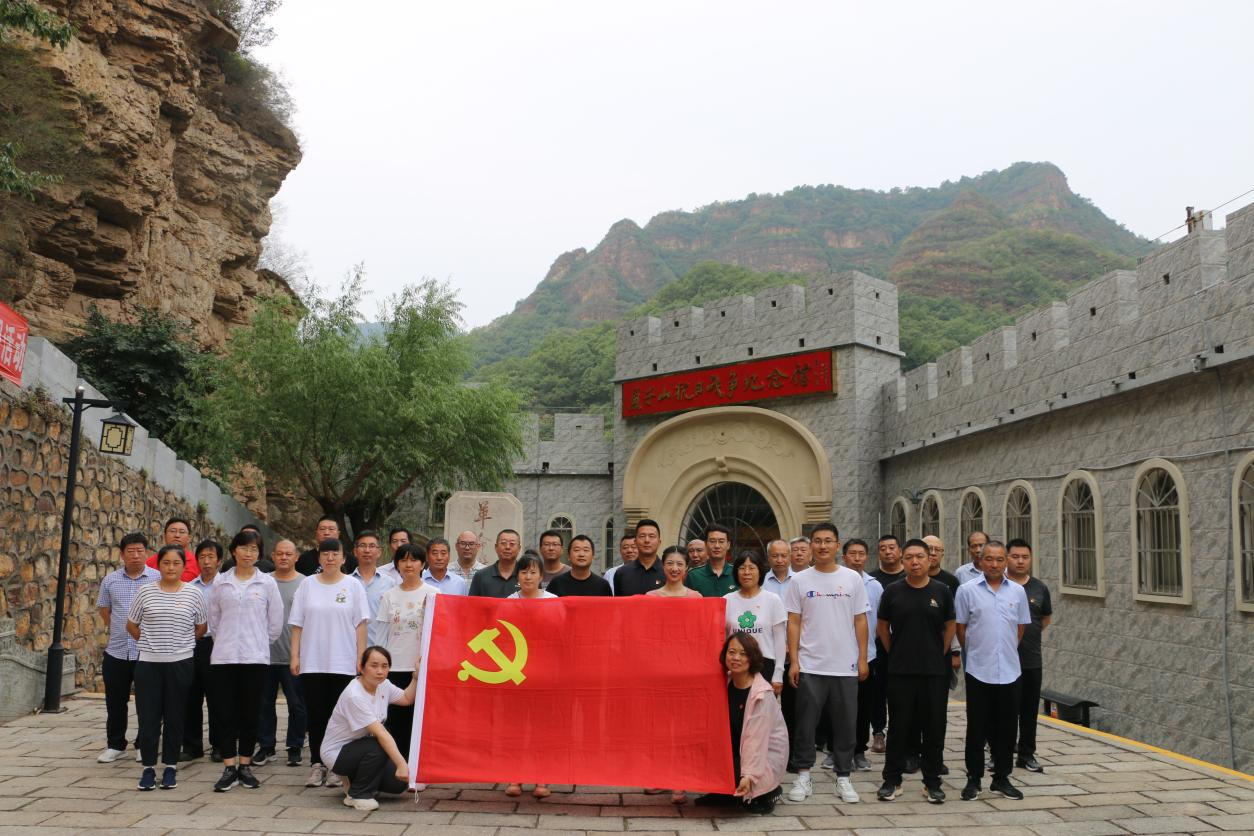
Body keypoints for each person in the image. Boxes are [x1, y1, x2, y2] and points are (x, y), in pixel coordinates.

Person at [783, 523, 868, 805]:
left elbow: (860, 619)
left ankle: (843, 777)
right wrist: (794, 660)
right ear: (811, 546)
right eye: (817, 541)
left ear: (837, 545)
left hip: (845, 665)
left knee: (845, 723)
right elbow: (794, 621)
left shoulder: (852, 579)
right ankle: (803, 775)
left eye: (828, 541)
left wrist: (862, 657)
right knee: (805, 724)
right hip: (810, 664)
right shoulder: (799, 580)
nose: (822, 546)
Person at [874, 539, 955, 805]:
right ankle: (892, 780)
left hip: (934, 671)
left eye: (920, 556)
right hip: (900, 670)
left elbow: (950, 625)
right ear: (903, 561)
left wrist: (939, 652)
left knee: (934, 727)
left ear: (930, 559)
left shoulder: (942, 591)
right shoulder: (893, 591)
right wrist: (895, 651)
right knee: (899, 727)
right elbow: (882, 627)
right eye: (909, 557)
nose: (915, 562)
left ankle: (932, 782)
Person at [290, 538, 371, 789]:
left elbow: (361, 625)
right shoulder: (307, 585)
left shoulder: (353, 586)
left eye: (335, 554)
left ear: (344, 558)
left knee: (341, 717)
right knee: (316, 715)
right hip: (313, 661)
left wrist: (361, 657)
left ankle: (337, 766)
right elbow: (297, 624)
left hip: (343, 661)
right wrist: (295, 656)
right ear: (319, 558)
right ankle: (317, 763)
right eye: (325, 554)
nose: (330, 558)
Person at [207, 529, 284, 792]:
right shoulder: (221, 582)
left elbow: (275, 624)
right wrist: (227, 641)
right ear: (234, 551)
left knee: (251, 713)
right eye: (243, 548)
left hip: (255, 658)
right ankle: (229, 767)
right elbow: (214, 621)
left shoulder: (267, 583)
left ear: (259, 554)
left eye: (254, 549)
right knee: (225, 713)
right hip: (224, 657)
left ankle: (245, 765)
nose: (248, 553)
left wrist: (257, 642)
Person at [127, 545, 208, 790]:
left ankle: (171, 766)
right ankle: (148, 768)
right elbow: (132, 625)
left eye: (176, 563)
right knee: (148, 718)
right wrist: (150, 643)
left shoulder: (194, 593)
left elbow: (201, 627)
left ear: (184, 566)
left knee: (175, 716)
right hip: (148, 664)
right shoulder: (145, 591)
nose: (171, 567)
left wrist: (180, 645)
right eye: (166, 562)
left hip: (180, 664)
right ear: (158, 565)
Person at [956, 540, 1031, 802]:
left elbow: (1020, 628)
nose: (994, 564)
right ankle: (973, 779)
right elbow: (961, 628)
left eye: (1000, 559)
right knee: (977, 728)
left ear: (1006, 561)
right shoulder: (966, 590)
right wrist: (977, 652)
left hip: (1010, 671)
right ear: (980, 560)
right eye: (989, 559)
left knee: (1007, 728)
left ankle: (1001, 778)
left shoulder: (1018, 592)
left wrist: (1004, 650)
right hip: (979, 670)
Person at [695, 633, 788, 815]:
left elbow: (756, 741)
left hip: (763, 755)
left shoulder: (761, 695)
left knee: (747, 801)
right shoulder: (724, 682)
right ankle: (722, 792)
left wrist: (749, 776)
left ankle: (771, 791)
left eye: (743, 654)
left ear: (752, 659)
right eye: (732, 652)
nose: (736, 658)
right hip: (735, 750)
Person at [322, 646, 418, 812]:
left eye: (385, 666)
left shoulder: (383, 685)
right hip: (337, 753)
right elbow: (381, 733)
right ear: (361, 667)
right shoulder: (354, 695)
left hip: (361, 746)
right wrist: (402, 763)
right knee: (379, 744)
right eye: (374, 665)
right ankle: (357, 794)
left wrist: (416, 677)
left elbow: (406, 698)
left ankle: (354, 780)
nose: (380, 671)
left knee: (398, 784)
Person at [96, 532, 160, 764]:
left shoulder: (157, 578)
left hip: (147, 651)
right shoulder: (110, 580)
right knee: (115, 701)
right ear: (122, 555)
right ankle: (116, 744)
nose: (135, 555)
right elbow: (105, 611)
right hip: (117, 651)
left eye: (140, 551)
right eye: (130, 551)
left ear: (147, 553)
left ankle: (144, 744)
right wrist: (119, 628)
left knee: (148, 702)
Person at [376, 543, 437, 760]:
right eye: (403, 560)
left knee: (420, 720)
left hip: (422, 667)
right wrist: (380, 666)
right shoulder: (388, 595)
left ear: (423, 564)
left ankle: (418, 766)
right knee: (396, 720)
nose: (408, 564)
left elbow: (440, 632)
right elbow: (381, 634)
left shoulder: (433, 594)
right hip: (395, 667)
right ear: (397, 565)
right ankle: (397, 765)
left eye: (413, 560)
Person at [502, 553, 554, 798]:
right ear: (517, 576)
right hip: (516, 673)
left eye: (533, 572)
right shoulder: (508, 603)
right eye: (523, 572)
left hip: (545, 673)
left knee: (542, 727)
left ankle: (542, 778)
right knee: (516, 727)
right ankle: (515, 776)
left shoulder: (553, 601)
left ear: (541, 576)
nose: (528, 577)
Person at [257, 538, 308, 768]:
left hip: (294, 655)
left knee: (297, 705)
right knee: (264, 704)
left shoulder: (306, 584)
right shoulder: (262, 582)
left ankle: (294, 746)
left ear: (296, 557)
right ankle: (266, 746)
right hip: (264, 655)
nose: (284, 557)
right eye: (279, 553)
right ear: (273, 556)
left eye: (288, 554)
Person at [1007, 538, 1051, 774]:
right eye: (1015, 556)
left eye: (1025, 557)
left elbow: (1044, 618)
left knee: (1029, 710)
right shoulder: (1000, 585)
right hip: (1004, 660)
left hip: (1031, 659)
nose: (1020, 561)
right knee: (1004, 710)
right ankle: (1000, 754)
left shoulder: (1039, 588)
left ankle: (1026, 755)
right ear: (1007, 558)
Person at [841, 539, 883, 773]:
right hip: (838, 655)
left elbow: (880, 622)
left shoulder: (874, 586)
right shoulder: (836, 582)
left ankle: (859, 751)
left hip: (867, 654)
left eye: (861, 554)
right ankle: (838, 751)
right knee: (839, 707)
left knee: (863, 706)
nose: (857, 558)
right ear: (844, 557)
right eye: (852, 554)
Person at [723, 551, 786, 692]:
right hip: (735, 665)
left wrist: (778, 674)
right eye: (742, 568)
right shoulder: (726, 600)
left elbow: (780, 641)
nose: (746, 572)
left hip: (764, 665)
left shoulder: (773, 600)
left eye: (751, 568)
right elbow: (723, 637)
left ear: (760, 571)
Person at [183, 539, 222, 762]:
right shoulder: (189, 587)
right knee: (191, 695)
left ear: (219, 561)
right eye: (202, 557)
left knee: (217, 697)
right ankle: (192, 745)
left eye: (211, 557)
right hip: (193, 643)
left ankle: (219, 745)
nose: (206, 562)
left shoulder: (226, 585)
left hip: (218, 644)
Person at [868, 534, 905, 755]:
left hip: (905, 644)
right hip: (878, 644)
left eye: (892, 547)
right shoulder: (872, 580)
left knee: (901, 692)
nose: (888, 552)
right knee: (878, 690)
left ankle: (900, 732)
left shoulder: (909, 576)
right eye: (883, 548)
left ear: (900, 551)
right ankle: (878, 732)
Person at [350, 530, 397, 645]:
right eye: (362, 546)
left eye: (372, 546)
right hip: (350, 648)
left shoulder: (390, 583)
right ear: (355, 551)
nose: (367, 550)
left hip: (380, 648)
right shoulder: (346, 583)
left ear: (379, 552)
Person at [546, 535, 612, 596]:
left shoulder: (603, 585)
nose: (581, 554)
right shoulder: (556, 583)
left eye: (586, 550)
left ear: (593, 556)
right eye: (576, 550)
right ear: (568, 556)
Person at [613, 520, 665, 596]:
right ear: (635, 542)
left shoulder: (667, 572)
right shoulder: (622, 573)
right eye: (642, 536)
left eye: (651, 536)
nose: (647, 540)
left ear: (659, 542)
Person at [686, 524, 738, 597]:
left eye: (721, 541)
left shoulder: (737, 573)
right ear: (705, 544)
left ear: (728, 545)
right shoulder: (693, 575)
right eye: (712, 541)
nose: (717, 546)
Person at [467, 529, 522, 597]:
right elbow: (472, 603)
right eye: (503, 543)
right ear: (496, 547)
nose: (507, 547)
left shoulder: (526, 576)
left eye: (512, 544)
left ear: (519, 548)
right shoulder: (481, 576)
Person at [146, 518, 198, 582]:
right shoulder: (150, 562)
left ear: (189, 538)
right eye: (173, 531)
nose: (177, 535)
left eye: (182, 532)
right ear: (164, 536)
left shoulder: (197, 563)